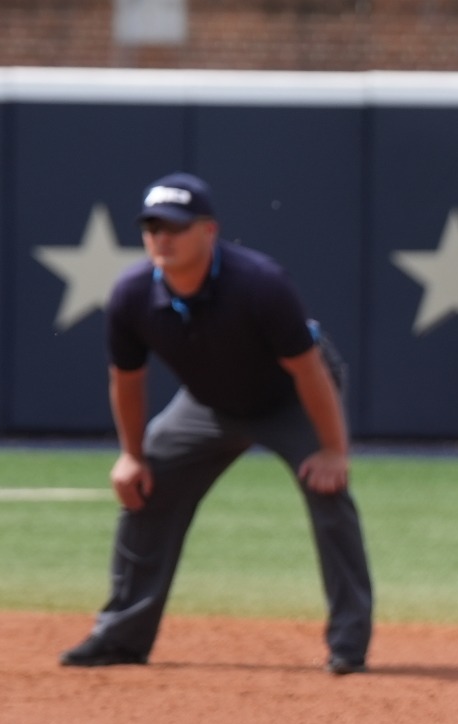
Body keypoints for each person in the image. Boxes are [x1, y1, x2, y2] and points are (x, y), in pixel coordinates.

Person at [60, 172, 373, 674]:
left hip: (289, 396)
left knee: (328, 491)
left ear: (208, 231)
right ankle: (120, 637)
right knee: (146, 485)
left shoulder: (259, 283)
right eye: (152, 227)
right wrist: (132, 454)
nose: (162, 237)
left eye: (175, 227)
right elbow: (127, 379)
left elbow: (310, 370)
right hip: (208, 404)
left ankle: (349, 644)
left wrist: (334, 450)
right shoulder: (132, 294)